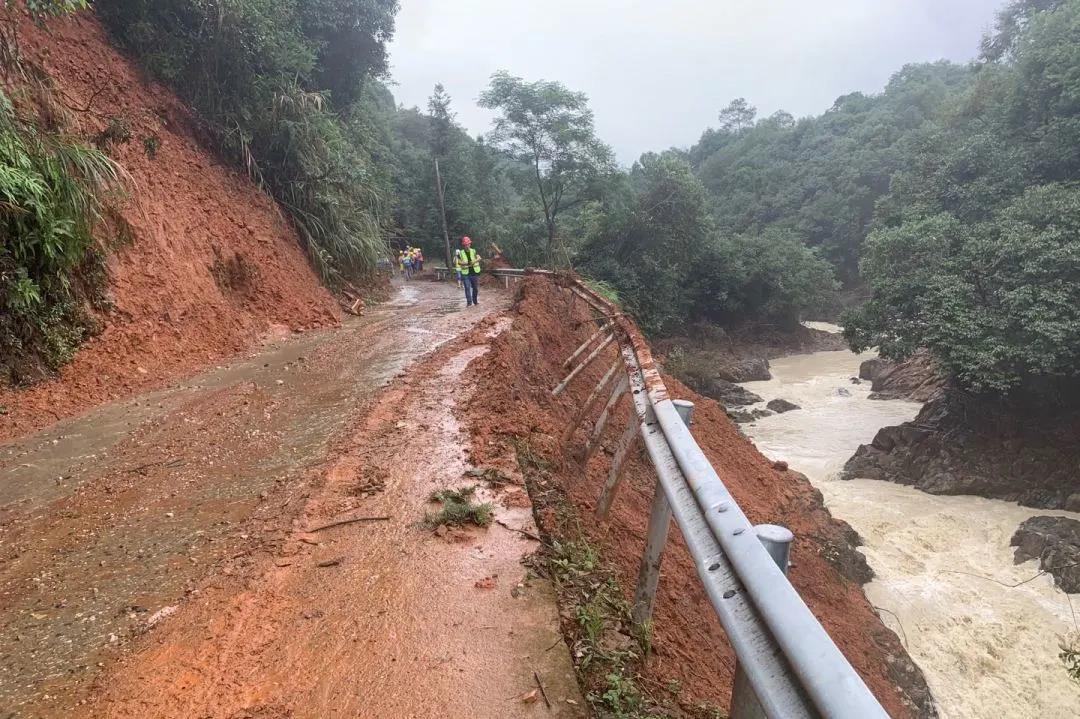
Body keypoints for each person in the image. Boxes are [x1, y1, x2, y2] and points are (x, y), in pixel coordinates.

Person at [455, 236, 481, 307]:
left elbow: (479, 258)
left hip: (474, 272)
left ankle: (475, 301)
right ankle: (469, 303)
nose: (467, 246)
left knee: (475, 288)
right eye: (465, 245)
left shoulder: (474, 251)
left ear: (470, 244)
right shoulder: (460, 253)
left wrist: (474, 261)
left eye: (468, 244)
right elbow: (459, 262)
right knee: (467, 287)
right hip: (465, 273)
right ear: (463, 245)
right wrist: (467, 263)